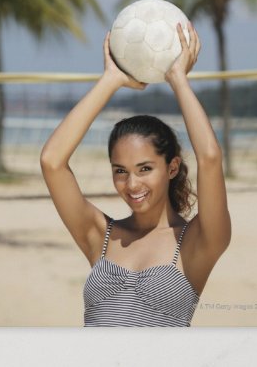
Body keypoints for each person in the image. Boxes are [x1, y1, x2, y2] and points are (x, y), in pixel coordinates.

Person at [40, 22, 231, 327]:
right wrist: (111, 80)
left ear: (172, 167)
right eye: (120, 171)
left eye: (145, 169)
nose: (131, 184)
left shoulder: (199, 241)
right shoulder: (99, 235)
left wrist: (178, 80)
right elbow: (52, 161)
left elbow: (209, 158)